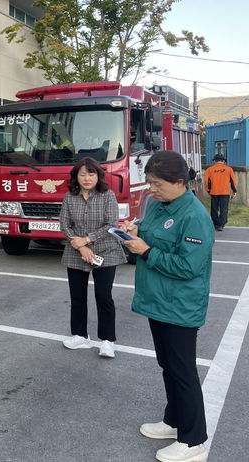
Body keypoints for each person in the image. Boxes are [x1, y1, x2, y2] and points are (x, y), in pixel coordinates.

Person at [121, 151, 213, 462]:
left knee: (183, 371)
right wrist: (134, 235)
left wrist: (145, 251)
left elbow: (188, 267)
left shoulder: (195, 216)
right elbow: (152, 238)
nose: (151, 189)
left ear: (179, 182)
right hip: (159, 301)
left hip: (180, 306)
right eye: (148, 183)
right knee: (169, 367)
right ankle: (174, 421)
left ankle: (193, 441)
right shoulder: (162, 206)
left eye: (157, 184)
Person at [59, 157, 126, 358]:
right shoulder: (70, 197)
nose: (87, 178)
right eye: (82, 174)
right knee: (77, 296)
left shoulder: (107, 195)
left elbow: (111, 224)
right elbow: (65, 225)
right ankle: (80, 336)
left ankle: (107, 341)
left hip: (106, 251)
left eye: (91, 174)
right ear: (76, 177)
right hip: (76, 252)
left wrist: (86, 240)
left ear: (98, 176)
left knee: (103, 295)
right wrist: (80, 246)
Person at [204, 153, 237, 231]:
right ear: (223, 161)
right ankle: (221, 225)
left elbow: (206, 182)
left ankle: (215, 223)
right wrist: (234, 191)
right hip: (225, 192)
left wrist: (208, 191)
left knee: (214, 209)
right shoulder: (229, 169)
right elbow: (233, 181)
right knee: (224, 209)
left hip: (214, 192)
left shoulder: (209, 169)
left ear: (214, 161)